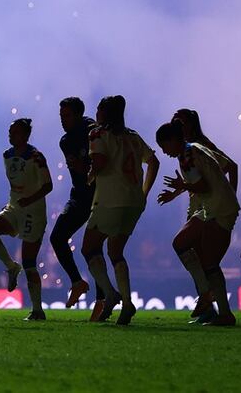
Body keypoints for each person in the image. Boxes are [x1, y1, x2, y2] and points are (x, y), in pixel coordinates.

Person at [81, 95, 159, 325]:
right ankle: (126, 302)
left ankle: (111, 294)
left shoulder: (97, 133)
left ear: (106, 113)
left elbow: (100, 162)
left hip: (109, 201)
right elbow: (154, 162)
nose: (96, 113)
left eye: (99, 109)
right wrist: (144, 193)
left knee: (88, 248)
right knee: (115, 252)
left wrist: (89, 175)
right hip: (134, 203)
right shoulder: (133, 136)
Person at [156, 121, 240, 326]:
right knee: (182, 243)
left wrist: (181, 185)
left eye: (164, 145)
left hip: (219, 211)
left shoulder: (188, 156)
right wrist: (178, 191)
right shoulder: (196, 148)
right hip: (210, 208)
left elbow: (202, 184)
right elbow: (222, 169)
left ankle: (219, 308)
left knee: (208, 262)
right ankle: (210, 300)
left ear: (174, 140)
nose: (164, 151)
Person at [0, 118, 53, 321]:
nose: (10, 135)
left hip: (33, 212)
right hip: (14, 208)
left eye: (14, 132)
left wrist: (29, 199)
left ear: (25, 135)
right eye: (9, 131)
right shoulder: (7, 155)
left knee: (30, 262)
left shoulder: (36, 157)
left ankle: (37, 310)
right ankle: (11, 267)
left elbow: (48, 186)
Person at [50, 96, 105, 312]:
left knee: (93, 247)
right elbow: (81, 171)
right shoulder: (66, 141)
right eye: (61, 116)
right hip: (80, 196)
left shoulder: (94, 132)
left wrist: (85, 167)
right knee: (57, 237)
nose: (62, 120)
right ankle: (77, 282)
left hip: (100, 196)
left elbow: (91, 168)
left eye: (67, 115)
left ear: (79, 115)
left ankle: (102, 299)